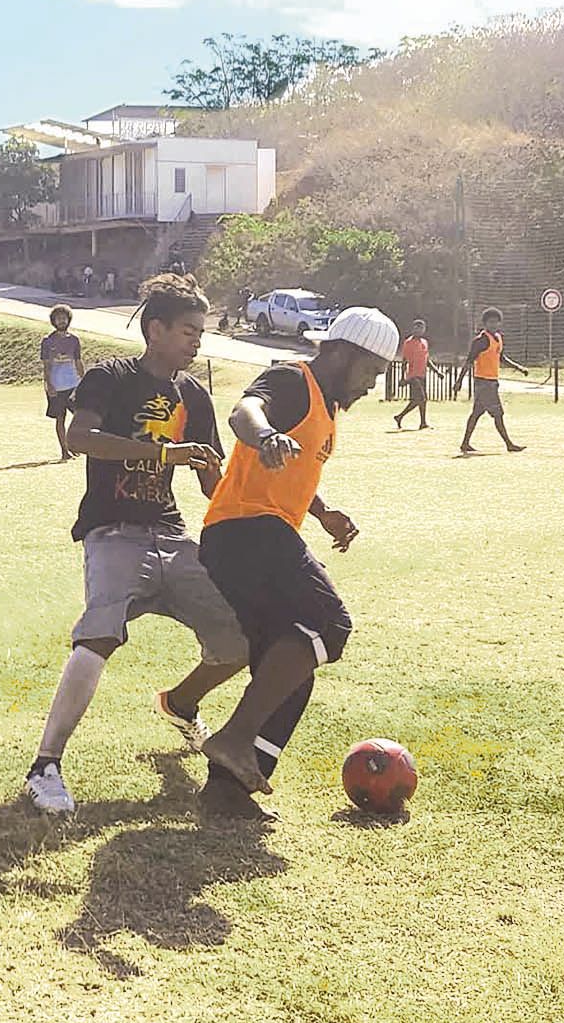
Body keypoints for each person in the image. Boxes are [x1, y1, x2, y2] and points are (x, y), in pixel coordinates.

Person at [24, 274, 248, 816]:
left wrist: (254, 503)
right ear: (156, 329)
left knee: (241, 640)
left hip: (171, 534)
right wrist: (162, 455)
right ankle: (45, 766)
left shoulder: (194, 395)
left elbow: (211, 478)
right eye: (189, 331)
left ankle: (181, 703)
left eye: (202, 332)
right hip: (113, 531)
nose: (198, 341)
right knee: (98, 636)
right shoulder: (111, 377)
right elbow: (80, 439)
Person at [193, 307, 394, 820]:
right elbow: (244, 412)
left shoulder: (323, 408)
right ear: (342, 353)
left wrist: (323, 512)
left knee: (286, 668)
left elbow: (295, 469)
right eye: (370, 371)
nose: (372, 385)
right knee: (329, 626)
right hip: (245, 531)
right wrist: (264, 436)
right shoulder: (293, 379)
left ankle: (227, 793)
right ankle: (234, 739)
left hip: (253, 535)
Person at [460, 307, 528, 454]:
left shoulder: (497, 338)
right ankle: (509, 444)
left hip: (492, 381)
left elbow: (501, 357)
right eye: (490, 322)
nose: (494, 325)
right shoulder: (480, 340)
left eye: (496, 322)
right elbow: (469, 361)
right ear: (485, 323)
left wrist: (518, 367)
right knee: (498, 414)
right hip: (483, 382)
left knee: (476, 413)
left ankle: (465, 443)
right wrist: (459, 381)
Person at [41, 304, 85, 460]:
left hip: (73, 385)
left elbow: (78, 361)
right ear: (54, 321)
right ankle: (64, 450)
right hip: (57, 386)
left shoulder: (74, 340)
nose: (61, 321)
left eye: (64, 318)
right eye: (58, 318)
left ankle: (74, 446)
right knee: (60, 418)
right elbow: (46, 365)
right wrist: (49, 384)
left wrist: (84, 381)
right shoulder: (47, 341)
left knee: (81, 416)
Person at [392, 318, 438, 430]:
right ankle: (422, 423)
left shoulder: (424, 342)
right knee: (422, 399)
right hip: (413, 376)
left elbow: (426, 359)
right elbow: (404, 360)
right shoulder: (408, 342)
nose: (419, 331)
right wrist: (402, 377)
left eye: (422, 328)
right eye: (417, 328)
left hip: (422, 374)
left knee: (417, 400)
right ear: (413, 329)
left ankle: (400, 417)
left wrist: (436, 371)